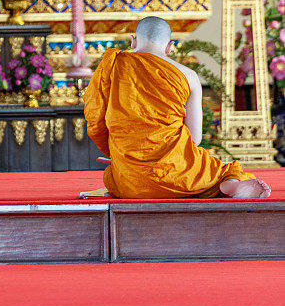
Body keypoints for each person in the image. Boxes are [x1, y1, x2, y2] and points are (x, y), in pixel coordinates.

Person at [83, 16, 271, 199]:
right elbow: (195, 138)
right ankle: (228, 184)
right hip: (178, 174)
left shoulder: (114, 66)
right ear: (169, 46)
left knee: (112, 176)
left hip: (129, 181)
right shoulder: (189, 76)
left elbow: (95, 119)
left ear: (133, 41)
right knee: (226, 170)